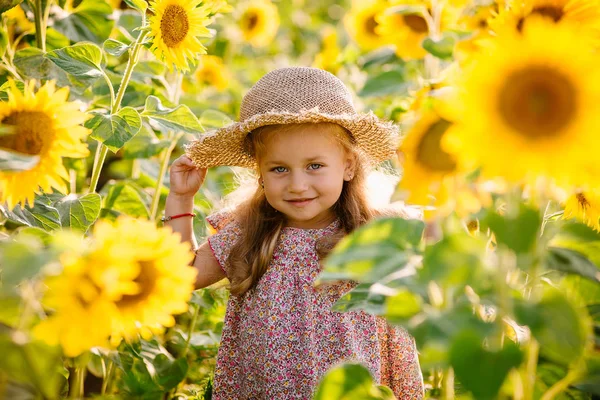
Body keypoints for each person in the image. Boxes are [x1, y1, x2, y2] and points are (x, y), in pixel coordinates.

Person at [165, 67, 424, 399]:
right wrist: (181, 197)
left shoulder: (370, 234)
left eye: (314, 166)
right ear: (259, 172)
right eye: (279, 169)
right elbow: (180, 276)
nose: (298, 185)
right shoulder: (250, 234)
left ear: (348, 165)